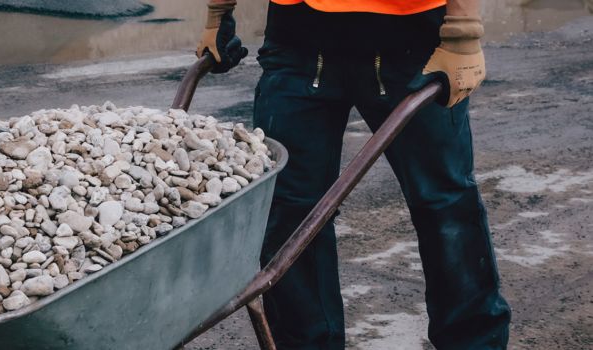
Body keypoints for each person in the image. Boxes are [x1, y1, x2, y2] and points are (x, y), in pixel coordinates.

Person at [196, 0, 511, 348]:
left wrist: (463, 31)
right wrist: (218, 13)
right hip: (299, 42)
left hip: (411, 42)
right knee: (289, 215)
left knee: (444, 207)